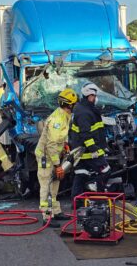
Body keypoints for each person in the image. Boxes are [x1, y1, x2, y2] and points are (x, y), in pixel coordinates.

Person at [35, 88, 77, 228]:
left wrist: (65, 145)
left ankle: (55, 211)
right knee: (46, 185)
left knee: (55, 184)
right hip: (46, 156)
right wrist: (58, 165)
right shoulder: (57, 120)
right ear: (69, 105)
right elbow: (51, 144)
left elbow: (61, 137)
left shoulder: (65, 115)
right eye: (74, 104)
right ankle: (46, 216)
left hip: (54, 155)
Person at [70, 83, 111, 200]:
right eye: (94, 95)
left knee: (81, 175)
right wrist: (95, 149)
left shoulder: (83, 108)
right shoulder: (84, 112)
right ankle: (96, 194)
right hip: (88, 152)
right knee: (106, 171)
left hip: (81, 152)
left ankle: (76, 202)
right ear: (89, 95)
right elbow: (85, 134)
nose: (95, 98)